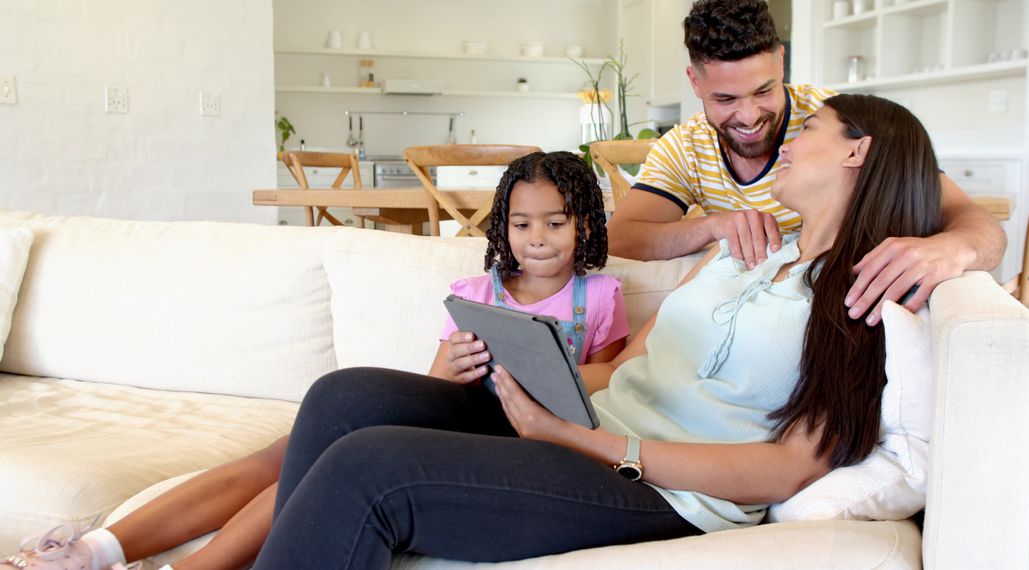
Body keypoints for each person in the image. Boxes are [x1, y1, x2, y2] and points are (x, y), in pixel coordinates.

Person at [250, 93, 944, 569]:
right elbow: (621, 370)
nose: (788, 140)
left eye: (811, 128)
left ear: (859, 153)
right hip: (588, 423)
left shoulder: (866, 293)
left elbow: (788, 468)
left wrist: (589, 441)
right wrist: (526, 379)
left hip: (659, 487)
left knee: (370, 467)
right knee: (344, 398)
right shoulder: (744, 250)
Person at [2, 152, 629, 570]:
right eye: (522, 224)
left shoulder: (600, 298)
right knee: (281, 453)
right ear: (505, 228)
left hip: (518, 439)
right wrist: (458, 366)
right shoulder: (478, 293)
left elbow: (606, 390)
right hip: (455, 415)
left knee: (317, 463)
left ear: (585, 225)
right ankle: (98, 547)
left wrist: (556, 371)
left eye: (555, 222)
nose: (538, 238)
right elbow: (433, 388)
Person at [606, 0, 1003, 328]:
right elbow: (621, 237)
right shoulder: (684, 147)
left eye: (764, 90)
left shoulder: (834, 120)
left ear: (781, 62)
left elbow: (971, 217)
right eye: (725, 100)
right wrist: (714, 226)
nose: (748, 116)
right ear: (695, 83)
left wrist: (955, 247)